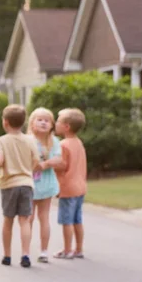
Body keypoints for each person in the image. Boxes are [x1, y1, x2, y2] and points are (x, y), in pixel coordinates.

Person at [0, 104, 41, 268]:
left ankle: (7, 255)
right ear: (23, 122)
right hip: (26, 184)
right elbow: (36, 161)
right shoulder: (30, 140)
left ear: (5, 122)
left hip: (9, 184)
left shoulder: (1, 141)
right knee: (25, 220)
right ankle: (26, 254)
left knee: (8, 220)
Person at [28, 107, 63, 263]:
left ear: (51, 125)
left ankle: (43, 251)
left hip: (46, 184)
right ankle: (25, 251)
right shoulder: (27, 140)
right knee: (28, 218)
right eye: (39, 120)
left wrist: (43, 164)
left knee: (44, 217)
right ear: (32, 123)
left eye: (47, 120)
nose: (43, 123)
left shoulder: (54, 142)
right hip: (29, 184)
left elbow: (58, 160)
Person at [53, 108, 88, 259]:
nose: (55, 123)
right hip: (80, 187)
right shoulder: (78, 142)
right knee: (77, 220)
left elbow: (62, 165)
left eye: (58, 121)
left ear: (66, 126)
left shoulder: (63, 145)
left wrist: (49, 163)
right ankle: (78, 249)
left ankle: (67, 250)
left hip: (68, 187)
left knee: (66, 221)